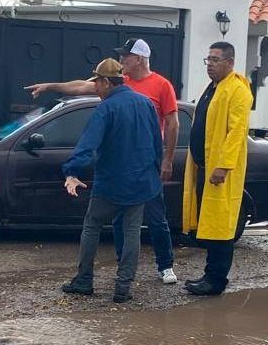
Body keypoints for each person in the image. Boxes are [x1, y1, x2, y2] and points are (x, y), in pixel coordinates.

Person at [27, 38, 179, 284]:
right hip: (139, 173)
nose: (121, 60)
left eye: (125, 56)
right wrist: (50, 86)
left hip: (124, 173)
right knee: (128, 227)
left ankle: (162, 266)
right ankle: (124, 280)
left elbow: (171, 124)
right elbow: (80, 87)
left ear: (138, 58)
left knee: (142, 221)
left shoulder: (157, 87)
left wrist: (166, 161)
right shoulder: (124, 85)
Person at [60, 58, 164, 304]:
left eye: (97, 82)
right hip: (141, 182)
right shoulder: (145, 104)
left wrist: (72, 172)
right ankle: (123, 287)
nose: (95, 87)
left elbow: (88, 145)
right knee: (132, 232)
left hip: (111, 183)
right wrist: (153, 172)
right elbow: (156, 144)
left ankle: (84, 280)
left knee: (92, 225)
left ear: (107, 82)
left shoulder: (106, 109)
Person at [182, 42, 252, 296]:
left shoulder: (237, 90)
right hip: (203, 166)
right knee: (210, 223)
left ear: (230, 62)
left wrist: (223, 166)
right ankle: (209, 274)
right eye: (208, 59)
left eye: (215, 59)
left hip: (221, 171)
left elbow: (236, 132)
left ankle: (216, 279)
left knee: (221, 226)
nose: (209, 64)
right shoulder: (214, 88)